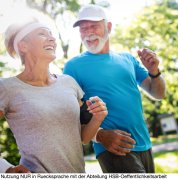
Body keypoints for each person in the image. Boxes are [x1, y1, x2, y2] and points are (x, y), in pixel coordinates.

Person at [64, 4, 166, 173]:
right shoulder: (73, 67)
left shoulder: (127, 59)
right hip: (114, 148)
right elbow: (72, 116)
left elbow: (158, 93)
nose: (88, 32)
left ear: (109, 27)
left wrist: (154, 72)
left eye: (94, 26)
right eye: (83, 29)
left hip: (144, 144)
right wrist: (101, 136)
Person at [0, 18, 108, 173]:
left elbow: (83, 137)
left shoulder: (69, 83)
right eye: (42, 34)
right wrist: (6, 169)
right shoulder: (7, 87)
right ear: (23, 46)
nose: (52, 38)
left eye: (51, 34)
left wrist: (98, 117)